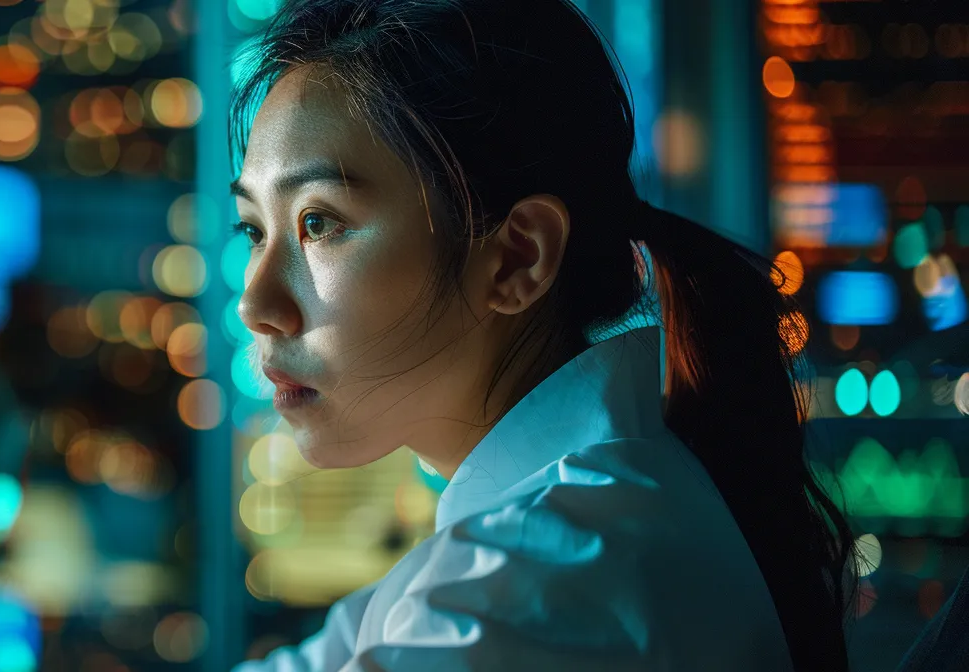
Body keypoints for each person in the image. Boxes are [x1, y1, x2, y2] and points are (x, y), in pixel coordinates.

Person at [226, 0, 856, 670]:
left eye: (319, 223)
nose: (254, 303)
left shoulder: (550, 581)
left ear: (517, 259)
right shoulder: (560, 525)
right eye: (255, 231)